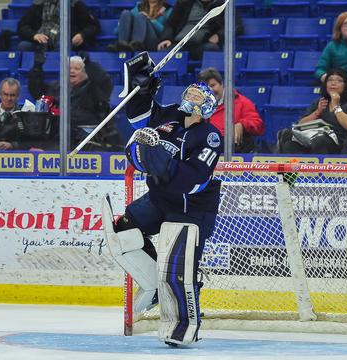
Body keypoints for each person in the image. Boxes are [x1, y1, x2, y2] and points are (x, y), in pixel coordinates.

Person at [101, 52, 222, 346]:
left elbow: (192, 182)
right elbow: (137, 118)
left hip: (192, 209)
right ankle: (154, 286)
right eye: (189, 91)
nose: (190, 95)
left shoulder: (209, 136)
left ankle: (184, 325)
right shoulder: (168, 115)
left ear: (206, 106)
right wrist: (141, 89)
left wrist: (156, 160)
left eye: (197, 94)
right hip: (160, 199)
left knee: (180, 271)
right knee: (123, 230)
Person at [28, 52, 116, 150]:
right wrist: (37, 68)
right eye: (69, 68)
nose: (72, 71)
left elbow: (105, 82)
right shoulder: (56, 87)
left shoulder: (93, 89)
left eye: (77, 69)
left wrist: (89, 63)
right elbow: (37, 92)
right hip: (58, 139)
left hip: (87, 141)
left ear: (86, 73)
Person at [277, 68, 347, 154]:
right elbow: (301, 123)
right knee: (290, 145)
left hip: (340, 144)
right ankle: (299, 167)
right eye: (329, 80)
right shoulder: (320, 102)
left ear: (346, 85)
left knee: (319, 141)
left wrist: (336, 106)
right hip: (313, 138)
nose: (333, 83)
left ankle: (322, 167)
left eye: (339, 81)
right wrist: (317, 112)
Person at [197, 67, 265, 153]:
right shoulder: (199, 107)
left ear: (222, 84)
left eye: (213, 85)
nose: (210, 91)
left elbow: (259, 125)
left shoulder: (242, 102)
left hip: (237, 152)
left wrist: (242, 124)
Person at [156, 0, 234, 60]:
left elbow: (235, 26)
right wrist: (166, 38)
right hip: (179, 44)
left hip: (202, 45)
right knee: (163, 52)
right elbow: (171, 24)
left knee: (212, 50)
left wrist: (218, 35)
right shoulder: (184, 3)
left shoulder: (221, 5)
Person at [16, 0, 100, 52]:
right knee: (23, 46)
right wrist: (34, 35)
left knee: (63, 46)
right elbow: (22, 26)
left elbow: (93, 26)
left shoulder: (76, 4)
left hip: (64, 42)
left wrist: (82, 35)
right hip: (40, 42)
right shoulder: (38, 5)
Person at [106, 0, 173, 52]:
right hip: (131, 43)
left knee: (140, 16)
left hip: (153, 42)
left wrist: (151, 20)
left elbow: (165, 32)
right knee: (126, 13)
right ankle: (121, 45)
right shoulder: (139, 6)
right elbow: (116, 31)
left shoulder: (167, 9)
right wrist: (121, 24)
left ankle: (136, 45)